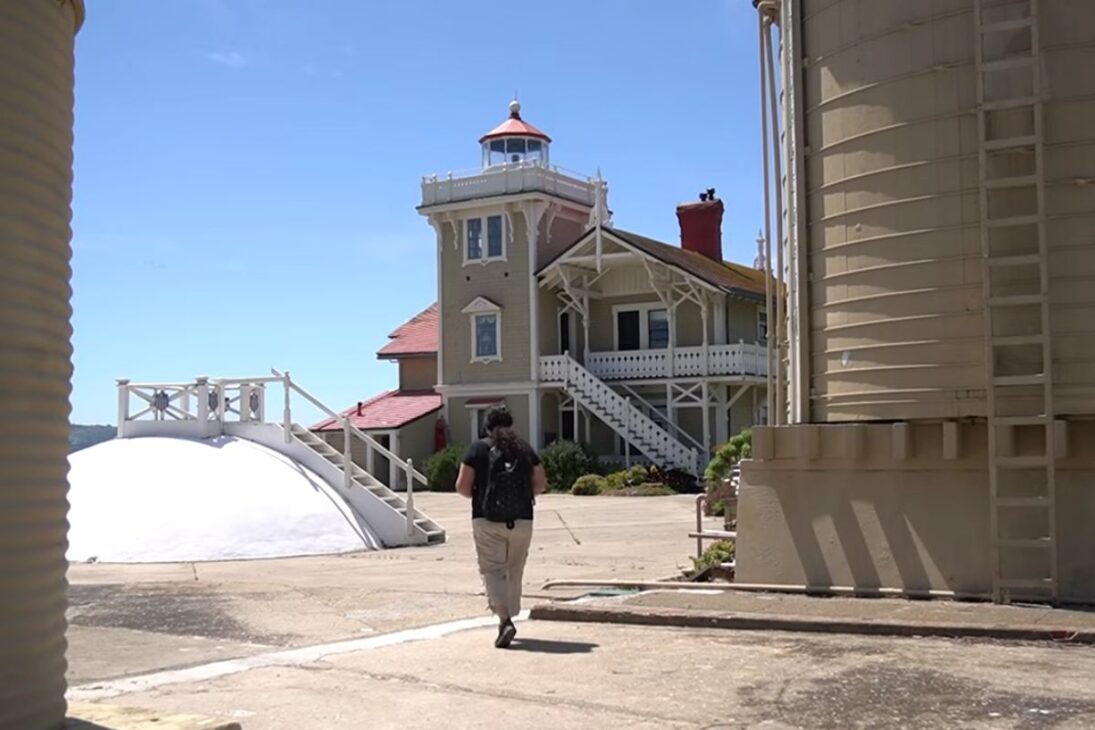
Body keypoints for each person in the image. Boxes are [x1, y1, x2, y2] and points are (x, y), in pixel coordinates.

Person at [456, 406, 548, 648]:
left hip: (486, 519)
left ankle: (505, 619)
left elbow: (463, 487)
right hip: (522, 520)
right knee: (514, 569)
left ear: (487, 426)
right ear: (511, 425)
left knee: (492, 570)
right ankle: (511, 612)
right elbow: (540, 484)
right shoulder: (524, 449)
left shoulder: (477, 448)